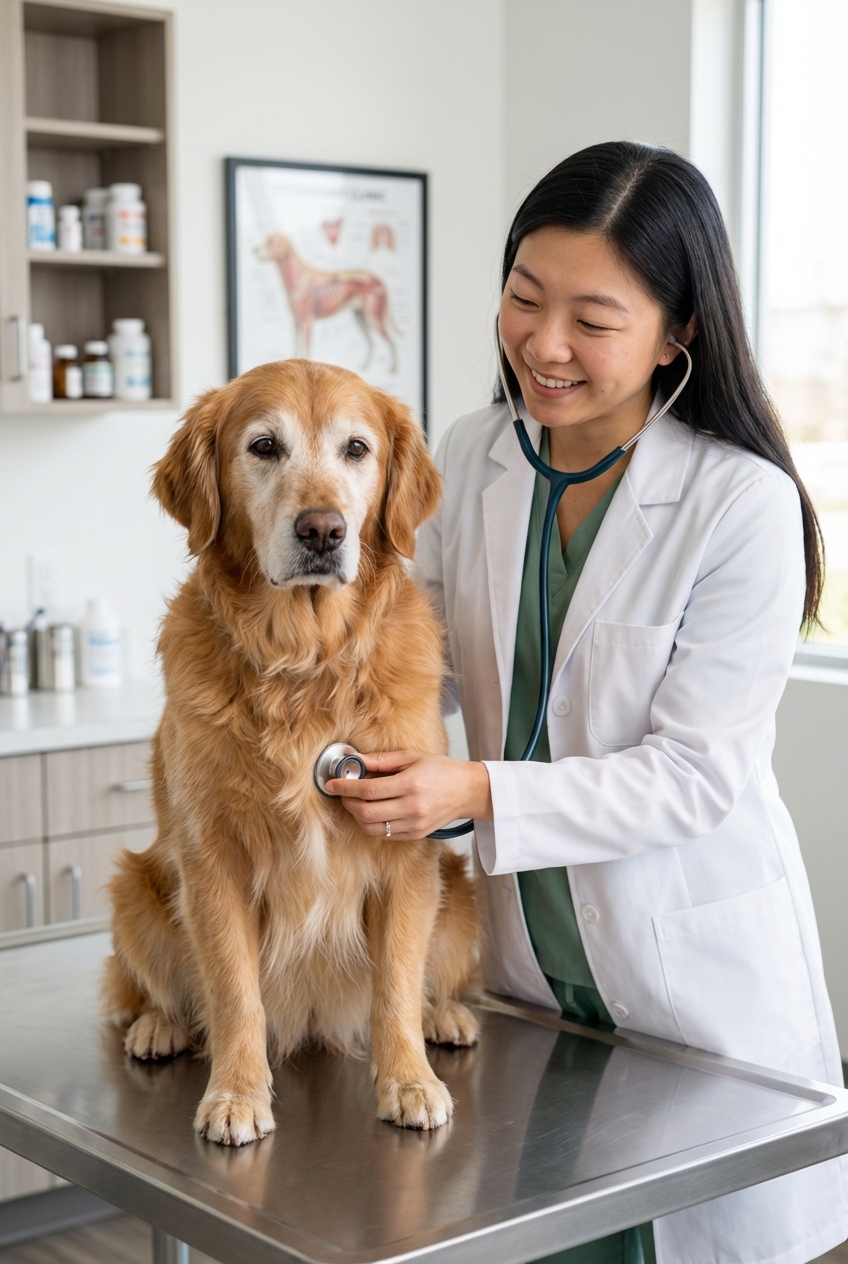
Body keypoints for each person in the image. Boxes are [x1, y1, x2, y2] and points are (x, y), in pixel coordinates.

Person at [329, 141, 848, 1264]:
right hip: (524, 979)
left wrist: (468, 788)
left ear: (678, 331)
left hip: (688, 987)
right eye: (523, 297)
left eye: (592, 319)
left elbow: (694, 774)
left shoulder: (737, 504)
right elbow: (415, 656)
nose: (542, 343)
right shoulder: (473, 455)